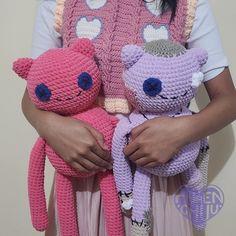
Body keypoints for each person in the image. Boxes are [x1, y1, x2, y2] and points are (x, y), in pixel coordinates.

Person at [22, 0, 236, 235]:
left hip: (157, 176)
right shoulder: (59, 4)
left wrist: (181, 131)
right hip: (80, 174)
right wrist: (51, 126)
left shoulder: (188, 6)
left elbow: (228, 100)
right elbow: (32, 95)